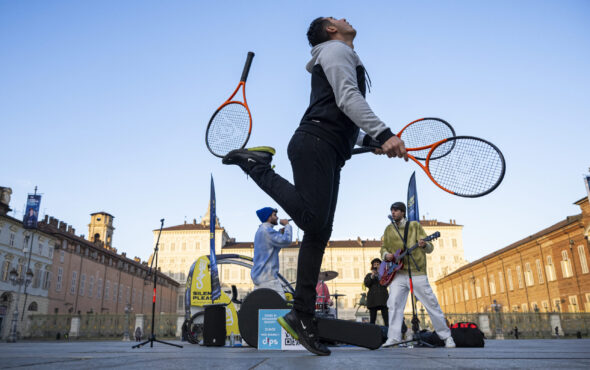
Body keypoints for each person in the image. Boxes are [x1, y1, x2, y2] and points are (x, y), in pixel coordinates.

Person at [222, 17, 408, 356]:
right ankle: (258, 167)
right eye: (337, 19)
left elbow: (343, 113)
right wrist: (384, 132)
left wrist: (371, 140)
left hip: (328, 148)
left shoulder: (338, 52)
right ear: (331, 30)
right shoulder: (336, 49)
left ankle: (302, 314)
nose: (345, 18)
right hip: (315, 143)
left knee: (318, 231)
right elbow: (348, 97)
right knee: (312, 221)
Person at [381, 202, 456, 348]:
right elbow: (383, 248)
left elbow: (430, 248)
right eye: (392, 210)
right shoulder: (389, 229)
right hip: (398, 272)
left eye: (396, 210)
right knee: (394, 304)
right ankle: (393, 338)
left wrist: (424, 244)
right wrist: (386, 255)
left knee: (431, 303)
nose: (393, 212)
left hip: (416, 271)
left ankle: (446, 337)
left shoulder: (414, 226)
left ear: (403, 212)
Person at [251, 207, 292, 298]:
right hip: (268, 279)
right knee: (281, 307)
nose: (277, 217)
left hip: (261, 278)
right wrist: (287, 225)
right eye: (275, 215)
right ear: (268, 217)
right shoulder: (267, 231)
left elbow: (273, 250)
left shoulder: (261, 230)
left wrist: (279, 234)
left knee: (262, 308)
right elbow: (287, 240)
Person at [364, 258, 389, 326]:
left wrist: (381, 274)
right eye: (375, 264)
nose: (376, 266)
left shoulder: (384, 274)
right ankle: (372, 334)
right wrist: (372, 276)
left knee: (386, 318)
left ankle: (388, 333)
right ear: (372, 266)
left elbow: (387, 283)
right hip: (373, 300)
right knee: (372, 319)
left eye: (378, 264)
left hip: (383, 299)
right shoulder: (369, 275)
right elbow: (366, 284)